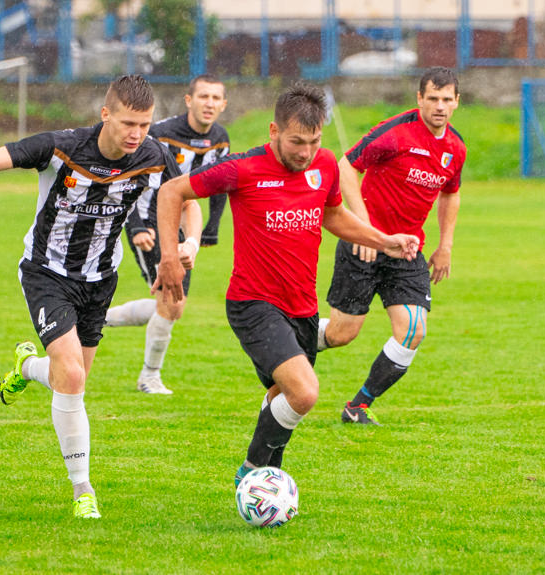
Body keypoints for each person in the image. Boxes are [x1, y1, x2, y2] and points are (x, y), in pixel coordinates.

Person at [152, 82, 420, 486]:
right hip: (253, 304)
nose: (305, 152)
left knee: (283, 395)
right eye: (296, 141)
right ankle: (254, 473)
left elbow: (332, 214)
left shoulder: (325, 165)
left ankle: (261, 473)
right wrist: (170, 257)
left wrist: (383, 241)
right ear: (274, 132)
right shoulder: (243, 168)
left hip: (302, 307)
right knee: (305, 392)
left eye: (313, 142)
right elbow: (173, 191)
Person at [0, 75, 182, 519]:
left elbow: (184, 197)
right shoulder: (60, 147)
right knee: (71, 377)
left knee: (69, 378)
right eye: (129, 123)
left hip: (100, 281)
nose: (137, 134)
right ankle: (83, 491)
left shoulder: (154, 155)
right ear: (105, 113)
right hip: (46, 273)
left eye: (145, 125)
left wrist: (181, 245)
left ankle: (27, 366)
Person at [316, 66, 466, 425]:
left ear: (457, 102)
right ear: (419, 99)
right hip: (364, 243)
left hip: (406, 249)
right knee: (341, 334)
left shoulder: (455, 148)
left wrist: (445, 245)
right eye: (433, 99)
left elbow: (451, 195)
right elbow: (345, 167)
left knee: (413, 329)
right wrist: (364, 228)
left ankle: (358, 406)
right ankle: (294, 343)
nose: (440, 107)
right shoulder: (396, 133)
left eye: (447, 100)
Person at [104, 74, 230, 394]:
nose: (209, 104)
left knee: (173, 305)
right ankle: (149, 377)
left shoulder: (220, 139)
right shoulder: (160, 134)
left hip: (185, 221)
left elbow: (218, 187)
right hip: (150, 222)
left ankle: (95, 319)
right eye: (203, 96)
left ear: (224, 105)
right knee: (171, 301)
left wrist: (209, 230)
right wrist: (135, 226)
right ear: (189, 100)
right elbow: (128, 178)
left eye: (216, 98)